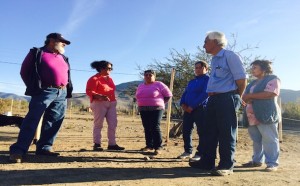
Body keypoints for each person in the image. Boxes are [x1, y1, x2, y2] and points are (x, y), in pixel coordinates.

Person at [189, 31, 247, 176]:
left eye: (205, 42)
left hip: (227, 98)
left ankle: (226, 165)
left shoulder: (230, 56)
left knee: (226, 133)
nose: (203, 45)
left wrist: (236, 97)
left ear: (215, 41)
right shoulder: (214, 60)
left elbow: (241, 80)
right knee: (209, 132)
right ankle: (207, 162)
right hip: (213, 99)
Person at [9, 33, 73, 163]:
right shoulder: (37, 53)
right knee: (32, 119)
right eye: (62, 41)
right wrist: (35, 87)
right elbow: (24, 71)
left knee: (55, 120)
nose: (64, 44)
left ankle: (44, 147)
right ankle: (18, 150)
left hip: (62, 92)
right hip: (44, 90)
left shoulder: (63, 57)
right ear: (52, 40)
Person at [242, 60, 281, 172]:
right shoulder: (252, 83)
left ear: (264, 68)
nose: (252, 69)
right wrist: (249, 97)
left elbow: (270, 94)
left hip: (266, 114)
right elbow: (244, 97)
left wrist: (250, 96)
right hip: (251, 115)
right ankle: (257, 160)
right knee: (256, 139)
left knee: (270, 138)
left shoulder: (273, 79)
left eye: (255, 67)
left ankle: (272, 163)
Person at [86, 60, 125, 151]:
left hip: (111, 103)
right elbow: (89, 91)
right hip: (99, 103)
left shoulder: (110, 79)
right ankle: (97, 144)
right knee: (98, 123)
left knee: (113, 123)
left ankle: (112, 144)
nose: (110, 70)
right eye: (108, 68)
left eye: (111, 68)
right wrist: (99, 96)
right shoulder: (94, 79)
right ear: (101, 68)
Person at [177, 61, 209, 161]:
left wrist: (193, 106)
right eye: (196, 68)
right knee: (186, 130)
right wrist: (182, 103)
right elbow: (185, 93)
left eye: (200, 67)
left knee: (202, 131)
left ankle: (200, 153)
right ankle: (188, 151)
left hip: (200, 109)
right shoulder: (192, 81)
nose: (197, 70)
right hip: (187, 110)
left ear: (206, 69)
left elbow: (205, 94)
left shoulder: (208, 80)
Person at [135, 70, 172, 155]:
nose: (148, 76)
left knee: (155, 126)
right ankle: (149, 145)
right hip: (143, 109)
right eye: (146, 75)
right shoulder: (140, 86)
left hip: (156, 109)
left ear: (154, 76)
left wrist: (161, 103)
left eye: (150, 75)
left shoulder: (159, 84)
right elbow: (137, 95)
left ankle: (158, 147)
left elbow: (168, 95)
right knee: (147, 127)